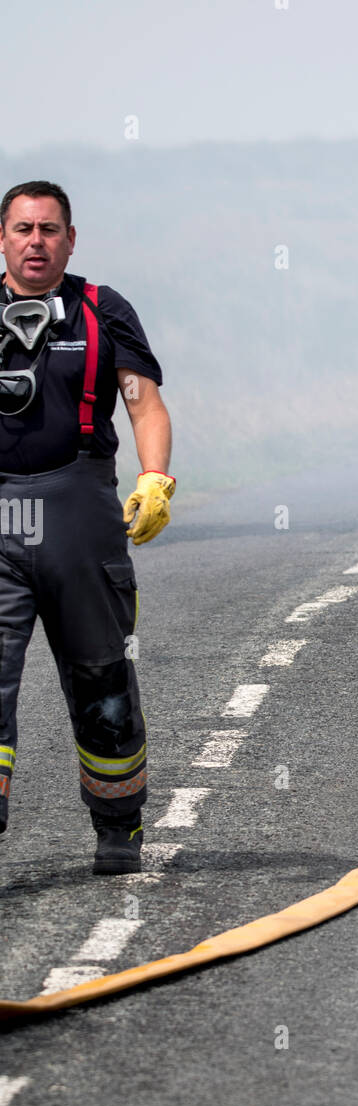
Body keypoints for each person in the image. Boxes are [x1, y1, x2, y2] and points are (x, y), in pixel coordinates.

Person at [0, 180, 174, 873]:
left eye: (49, 229)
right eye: (22, 229)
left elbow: (144, 403)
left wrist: (155, 476)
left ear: (71, 240)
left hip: (80, 509)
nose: (35, 241)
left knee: (101, 675)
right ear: (2, 238)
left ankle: (118, 823)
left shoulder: (102, 311)